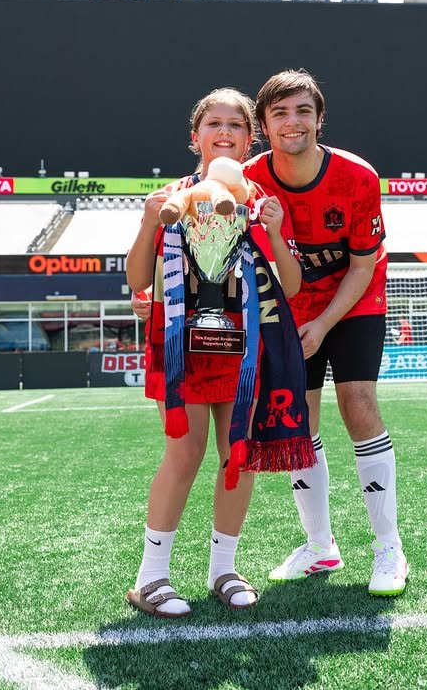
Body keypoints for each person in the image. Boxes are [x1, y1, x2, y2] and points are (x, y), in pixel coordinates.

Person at [126, 87, 304, 618]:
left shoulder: (261, 201)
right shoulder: (172, 196)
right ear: (195, 137)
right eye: (213, 124)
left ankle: (223, 568)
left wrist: (272, 232)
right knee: (186, 451)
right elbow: (138, 280)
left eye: (235, 125)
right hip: (181, 341)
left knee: (238, 456)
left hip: (241, 346)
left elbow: (290, 286)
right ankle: (151, 578)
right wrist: (145, 223)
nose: (224, 132)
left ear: (250, 140)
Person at [243, 69, 409, 596]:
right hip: (288, 305)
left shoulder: (358, 176)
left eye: (303, 112)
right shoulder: (248, 178)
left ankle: (389, 548)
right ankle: (320, 546)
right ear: (265, 125)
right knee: (300, 420)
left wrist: (322, 324)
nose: (293, 123)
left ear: (319, 119)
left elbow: (361, 267)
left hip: (354, 299)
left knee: (358, 403)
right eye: (280, 113)